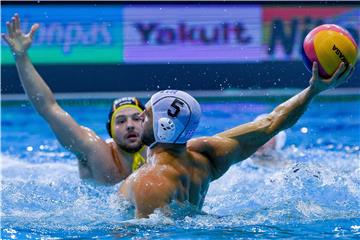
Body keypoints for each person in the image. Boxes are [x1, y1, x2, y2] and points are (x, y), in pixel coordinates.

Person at [119, 65, 353, 218]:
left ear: (164, 126)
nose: (139, 116)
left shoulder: (150, 181)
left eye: (147, 114)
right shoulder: (205, 157)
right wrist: (314, 90)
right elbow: (272, 122)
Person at [2, 14, 147, 185]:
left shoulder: (160, 154)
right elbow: (49, 108)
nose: (130, 125)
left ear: (147, 123)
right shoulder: (95, 151)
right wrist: (21, 57)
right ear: (111, 131)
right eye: (121, 121)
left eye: (136, 119)